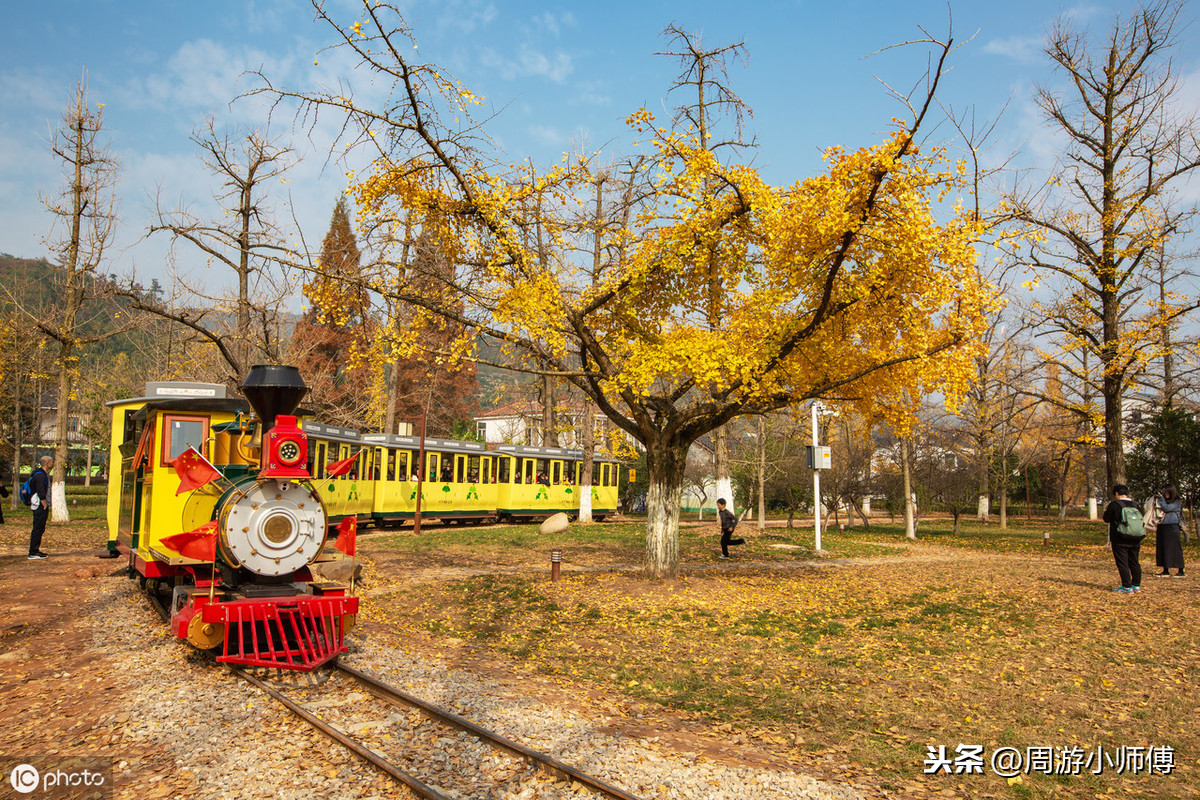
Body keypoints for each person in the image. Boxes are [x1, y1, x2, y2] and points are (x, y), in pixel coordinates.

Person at [1102, 483, 1142, 593]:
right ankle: (1136, 585)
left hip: (1120, 538)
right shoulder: (1135, 505)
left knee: (1122, 562)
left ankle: (1126, 586)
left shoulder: (1114, 505)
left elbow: (1106, 519)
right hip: (1135, 536)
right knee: (1134, 561)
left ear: (1116, 493)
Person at [1153, 485, 1185, 578]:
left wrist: (1161, 498)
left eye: (1167, 492)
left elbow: (1166, 508)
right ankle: (1165, 570)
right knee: (1163, 548)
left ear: (1172, 492)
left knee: (1175, 549)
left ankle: (1181, 570)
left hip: (1172, 527)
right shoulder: (1163, 500)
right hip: (1162, 526)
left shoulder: (1177, 501)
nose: (1165, 494)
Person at [27, 455, 53, 560]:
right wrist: (44, 504)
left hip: (40, 505)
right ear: (46, 463)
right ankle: (33, 552)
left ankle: (35, 550)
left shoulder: (42, 474)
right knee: (37, 528)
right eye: (51, 462)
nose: (52, 464)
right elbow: (40, 491)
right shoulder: (40, 475)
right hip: (39, 505)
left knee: (40, 528)